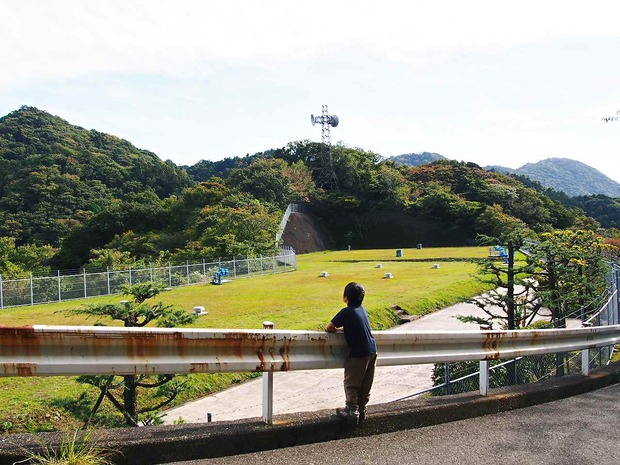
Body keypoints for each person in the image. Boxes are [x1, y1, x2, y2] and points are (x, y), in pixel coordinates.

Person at [326, 282, 378, 426]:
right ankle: (361, 411)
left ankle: (351, 410)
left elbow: (329, 327)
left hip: (358, 353)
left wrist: (340, 330)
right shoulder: (362, 310)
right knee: (365, 384)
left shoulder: (346, 312)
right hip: (372, 350)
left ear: (345, 297)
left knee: (352, 383)